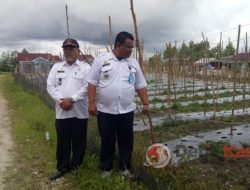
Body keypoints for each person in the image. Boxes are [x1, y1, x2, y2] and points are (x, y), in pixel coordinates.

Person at [87, 31, 149, 178]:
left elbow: (140, 85)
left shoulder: (133, 63)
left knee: (126, 140)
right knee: (107, 140)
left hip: (126, 111)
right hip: (105, 110)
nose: (131, 50)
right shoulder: (101, 60)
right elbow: (91, 83)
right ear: (118, 45)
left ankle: (125, 168)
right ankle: (106, 169)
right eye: (128, 47)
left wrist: (145, 103)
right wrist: (91, 103)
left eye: (132, 47)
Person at [47, 38, 90, 180]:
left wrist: (72, 99)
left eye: (72, 48)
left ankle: (76, 166)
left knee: (79, 143)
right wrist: (61, 100)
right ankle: (62, 168)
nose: (68, 51)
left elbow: (87, 88)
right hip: (62, 113)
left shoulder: (85, 68)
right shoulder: (56, 67)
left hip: (80, 113)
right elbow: (50, 86)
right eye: (66, 49)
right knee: (63, 142)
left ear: (78, 51)